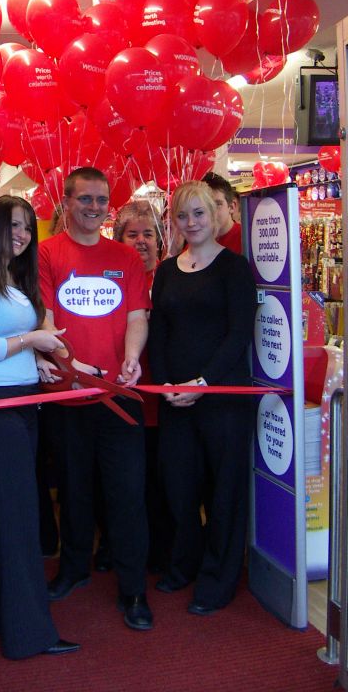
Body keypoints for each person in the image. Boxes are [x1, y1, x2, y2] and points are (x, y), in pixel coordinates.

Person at [0, 195, 80, 659]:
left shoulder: (13, 280)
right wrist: (30, 341)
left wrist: (37, 361)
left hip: (22, 403)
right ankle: (29, 634)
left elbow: (12, 345)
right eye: (13, 224)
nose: (22, 234)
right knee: (20, 520)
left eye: (27, 226)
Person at [38, 167, 153, 631]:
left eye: (101, 200)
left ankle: (133, 589)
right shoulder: (47, 253)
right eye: (85, 199)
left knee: (127, 495)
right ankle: (73, 568)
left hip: (119, 397)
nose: (94, 207)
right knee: (74, 490)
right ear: (67, 201)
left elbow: (137, 315)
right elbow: (44, 319)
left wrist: (131, 358)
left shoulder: (125, 256)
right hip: (68, 395)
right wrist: (69, 363)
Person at [148, 181, 257, 616]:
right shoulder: (167, 270)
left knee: (224, 492)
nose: (191, 223)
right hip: (176, 399)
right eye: (182, 215)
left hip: (222, 398)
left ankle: (219, 578)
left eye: (199, 214)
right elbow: (159, 333)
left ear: (215, 215)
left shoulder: (234, 268)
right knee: (178, 487)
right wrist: (171, 385)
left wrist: (203, 382)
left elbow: (238, 334)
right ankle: (184, 564)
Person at [113, 200, 173, 575]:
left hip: (166, 398)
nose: (140, 241)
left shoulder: (171, 278)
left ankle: (163, 551)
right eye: (131, 234)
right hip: (126, 396)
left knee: (163, 483)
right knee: (128, 484)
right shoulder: (112, 279)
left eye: (147, 234)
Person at [202, 172, 242, 253]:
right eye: (205, 205)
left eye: (217, 204)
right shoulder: (199, 239)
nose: (210, 211)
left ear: (231, 206)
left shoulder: (246, 239)